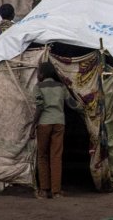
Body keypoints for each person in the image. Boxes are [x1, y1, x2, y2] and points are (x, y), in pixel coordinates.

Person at [35, 61, 74, 199]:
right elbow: (71, 103)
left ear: (43, 74)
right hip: (59, 122)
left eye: (39, 72)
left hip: (44, 123)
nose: (38, 74)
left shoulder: (39, 86)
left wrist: (34, 124)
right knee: (56, 156)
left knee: (42, 156)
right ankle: (56, 191)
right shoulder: (61, 86)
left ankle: (44, 190)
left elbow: (39, 106)